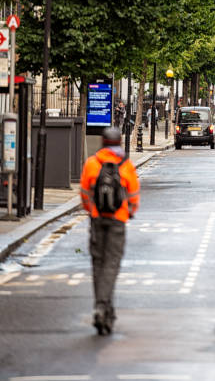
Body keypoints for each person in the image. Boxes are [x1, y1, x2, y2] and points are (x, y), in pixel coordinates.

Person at [80, 127, 140, 335]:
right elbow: (133, 195)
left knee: (98, 263)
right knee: (111, 265)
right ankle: (103, 306)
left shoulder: (92, 163)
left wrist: (92, 211)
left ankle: (103, 307)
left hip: (97, 220)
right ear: (120, 142)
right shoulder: (126, 165)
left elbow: (84, 193)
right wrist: (128, 212)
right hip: (117, 220)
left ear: (102, 142)